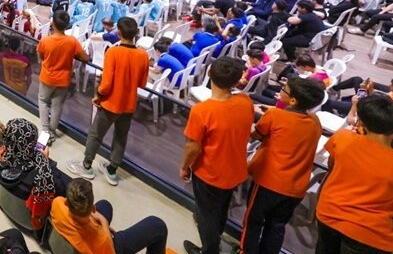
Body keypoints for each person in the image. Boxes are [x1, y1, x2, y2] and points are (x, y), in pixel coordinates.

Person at [180, 57, 255, 254]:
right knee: (221, 209)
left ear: (209, 74)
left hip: (210, 173)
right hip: (235, 170)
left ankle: (209, 250)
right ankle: (216, 237)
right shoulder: (245, 101)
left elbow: (193, 147)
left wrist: (184, 166)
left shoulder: (202, 111)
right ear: (236, 81)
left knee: (206, 216)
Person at [243, 77, 324, 254]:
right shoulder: (315, 121)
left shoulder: (274, 116)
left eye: (284, 90)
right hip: (295, 187)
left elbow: (257, 134)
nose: (280, 92)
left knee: (253, 222)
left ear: (293, 100)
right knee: (276, 226)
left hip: (268, 182)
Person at [315, 94, 393, 254]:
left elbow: (332, 166)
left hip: (329, 214)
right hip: (370, 233)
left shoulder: (343, 137)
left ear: (361, 122)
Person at [71, 17, 148, 185]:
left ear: (118, 32)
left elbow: (105, 85)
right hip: (129, 105)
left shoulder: (113, 52)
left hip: (110, 103)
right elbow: (142, 84)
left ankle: (86, 166)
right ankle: (112, 170)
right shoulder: (143, 55)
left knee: (95, 134)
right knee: (121, 137)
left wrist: (98, 95)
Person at [50, 177, 169, 254]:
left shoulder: (57, 203)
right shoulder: (102, 239)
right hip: (103, 247)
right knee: (158, 225)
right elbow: (109, 248)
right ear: (93, 209)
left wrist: (93, 217)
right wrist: (104, 223)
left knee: (105, 205)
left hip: (75, 238)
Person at [37, 11, 87, 139]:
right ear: (67, 25)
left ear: (52, 24)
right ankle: (52, 132)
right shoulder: (72, 41)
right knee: (57, 105)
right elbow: (85, 57)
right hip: (63, 80)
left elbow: (41, 56)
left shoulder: (45, 40)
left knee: (43, 101)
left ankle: (45, 131)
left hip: (47, 78)